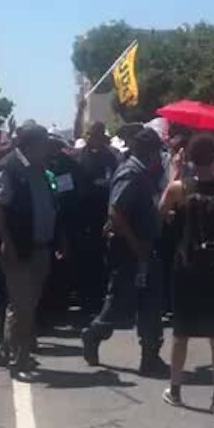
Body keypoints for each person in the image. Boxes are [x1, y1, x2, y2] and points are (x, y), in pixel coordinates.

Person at [81, 127, 168, 377]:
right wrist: (135, 244)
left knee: (151, 302)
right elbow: (115, 212)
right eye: (155, 151)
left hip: (145, 246)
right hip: (129, 249)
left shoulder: (144, 173)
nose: (157, 156)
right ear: (147, 151)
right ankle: (94, 334)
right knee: (119, 300)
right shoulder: (130, 173)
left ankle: (150, 356)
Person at [158, 134, 214, 416]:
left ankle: (175, 390)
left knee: (181, 333)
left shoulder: (180, 187)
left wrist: (177, 171)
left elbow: (162, 211)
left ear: (188, 157)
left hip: (186, 265)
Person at [0, 122, 57, 377]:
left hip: (41, 246)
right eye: (43, 144)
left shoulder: (40, 169)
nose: (47, 149)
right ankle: (20, 356)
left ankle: (11, 347)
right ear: (30, 144)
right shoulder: (8, 168)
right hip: (18, 246)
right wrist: (6, 241)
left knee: (26, 304)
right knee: (22, 304)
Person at [72, 122, 117, 317]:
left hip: (104, 214)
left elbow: (115, 184)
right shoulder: (78, 158)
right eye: (91, 134)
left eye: (98, 135)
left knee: (103, 260)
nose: (94, 138)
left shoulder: (111, 158)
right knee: (84, 260)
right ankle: (85, 301)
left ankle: (100, 300)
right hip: (83, 216)